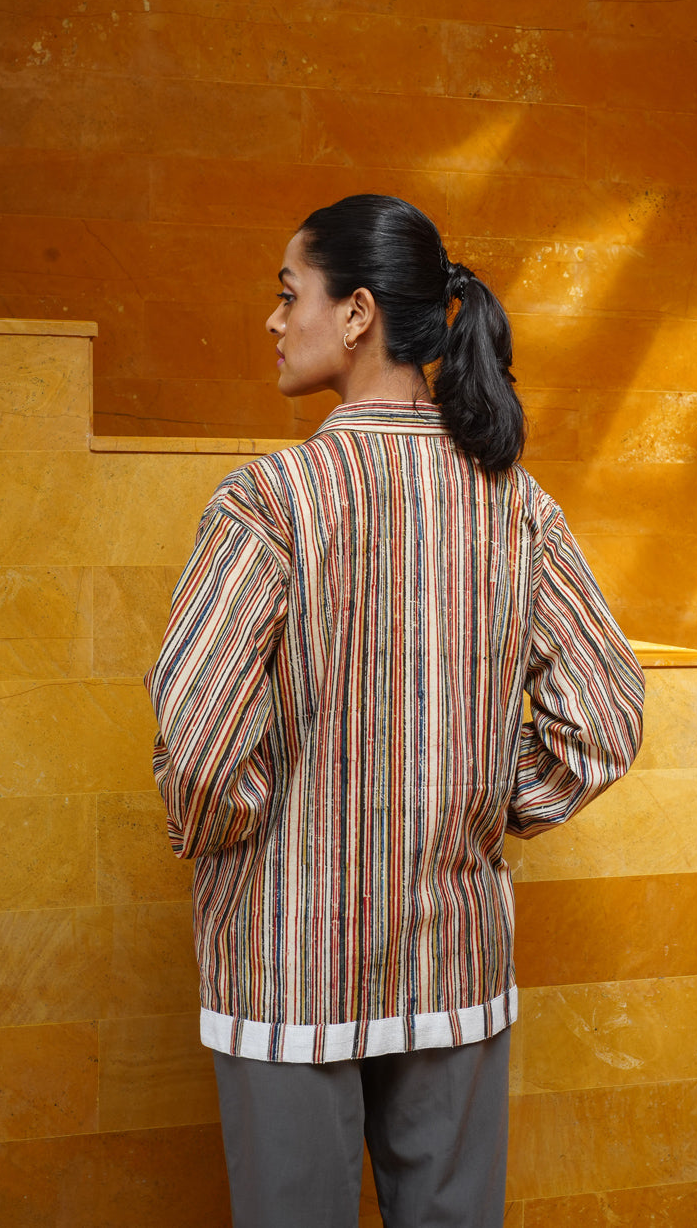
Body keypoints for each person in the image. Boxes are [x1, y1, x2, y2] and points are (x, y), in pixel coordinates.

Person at [145, 194, 644, 1228]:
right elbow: (603, 710)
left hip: (287, 971)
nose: (275, 321)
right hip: (451, 960)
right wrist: (476, 803)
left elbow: (196, 742)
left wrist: (242, 834)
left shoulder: (271, 500)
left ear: (359, 310)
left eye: (291, 295)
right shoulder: (519, 505)